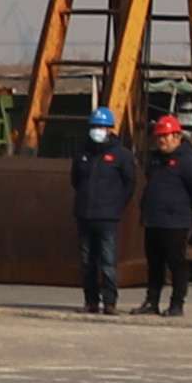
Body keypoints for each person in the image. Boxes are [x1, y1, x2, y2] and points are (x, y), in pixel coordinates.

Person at [135, 109, 192, 317]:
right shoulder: (156, 160)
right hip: (153, 220)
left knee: (176, 264)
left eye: (165, 136)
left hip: (175, 222)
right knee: (154, 263)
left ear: (177, 136)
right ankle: (152, 302)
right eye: (159, 137)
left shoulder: (188, 162)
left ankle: (177, 303)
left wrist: (179, 208)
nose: (161, 141)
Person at [65, 115, 132, 316]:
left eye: (102, 126)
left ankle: (110, 302)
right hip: (85, 215)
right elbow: (76, 180)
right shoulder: (82, 153)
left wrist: (116, 206)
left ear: (110, 129)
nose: (97, 130)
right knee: (87, 262)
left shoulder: (121, 155)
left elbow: (129, 184)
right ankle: (91, 301)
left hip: (107, 217)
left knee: (108, 261)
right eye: (95, 126)